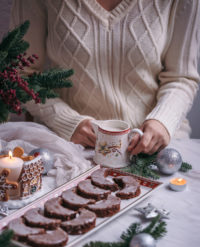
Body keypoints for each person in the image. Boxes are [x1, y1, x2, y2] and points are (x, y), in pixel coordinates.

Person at [10, 0, 200, 156]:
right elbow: (21, 76)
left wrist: (163, 120)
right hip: (69, 146)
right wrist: (67, 121)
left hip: (157, 150)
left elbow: (181, 77)